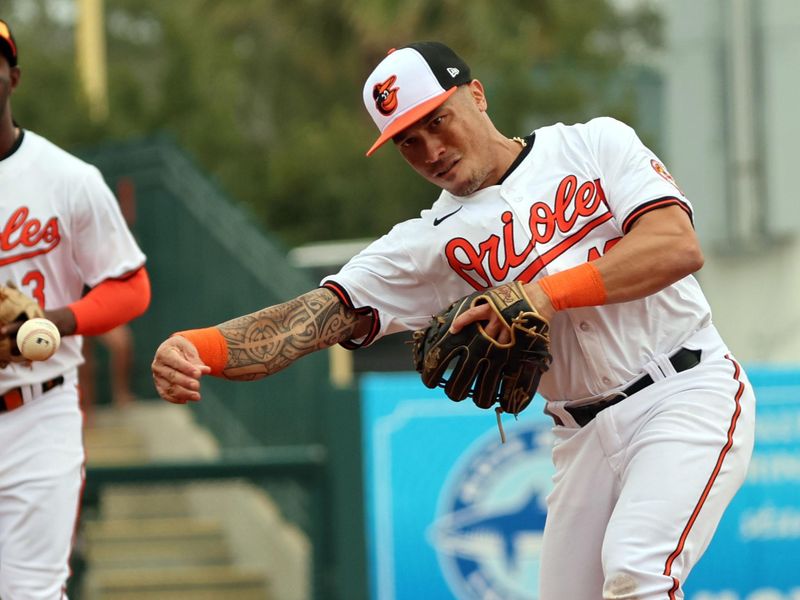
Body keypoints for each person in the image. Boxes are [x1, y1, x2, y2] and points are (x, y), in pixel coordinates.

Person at [152, 41, 755, 598]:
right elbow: (318, 315)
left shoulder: (593, 145)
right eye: (407, 141)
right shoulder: (426, 243)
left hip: (683, 389)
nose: (429, 150)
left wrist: (545, 294)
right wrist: (199, 347)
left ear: (476, 94)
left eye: (436, 120)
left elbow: (676, 246)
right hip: (581, 435)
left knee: (638, 570)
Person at [0, 19, 150, 599]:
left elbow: (131, 286)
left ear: (13, 77)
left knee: (31, 593)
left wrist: (52, 321)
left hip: (38, 412)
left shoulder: (66, 178)